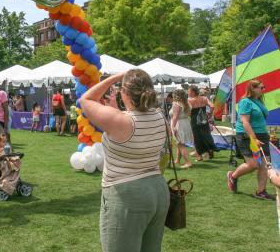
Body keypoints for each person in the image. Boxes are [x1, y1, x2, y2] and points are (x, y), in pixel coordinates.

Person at [80, 69, 169, 252]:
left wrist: (117, 77)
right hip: (158, 190)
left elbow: (86, 99)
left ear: (125, 93)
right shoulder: (161, 117)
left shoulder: (121, 121)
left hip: (126, 194)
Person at [227, 80, 275, 200]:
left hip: (262, 135)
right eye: (261, 87)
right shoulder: (245, 102)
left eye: (264, 87)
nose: (263, 89)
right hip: (246, 135)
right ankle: (233, 176)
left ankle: (261, 191)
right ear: (252, 89)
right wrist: (254, 139)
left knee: (264, 164)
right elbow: (245, 122)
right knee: (253, 164)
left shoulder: (259, 101)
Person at [188, 85, 218, 161]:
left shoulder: (190, 100)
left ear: (193, 92)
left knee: (197, 138)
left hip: (195, 120)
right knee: (206, 135)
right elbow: (212, 106)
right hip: (204, 119)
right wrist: (210, 115)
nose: (188, 92)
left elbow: (188, 112)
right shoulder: (204, 98)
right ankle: (210, 150)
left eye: (189, 91)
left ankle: (199, 156)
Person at [170, 89, 193, 169]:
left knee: (180, 144)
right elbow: (189, 114)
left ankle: (188, 162)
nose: (172, 95)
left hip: (178, 124)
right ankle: (177, 160)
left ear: (176, 95)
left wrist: (173, 127)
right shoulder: (186, 103)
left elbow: (175, 116)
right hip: (185, 123)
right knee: (179, 143)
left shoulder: (176, 104)